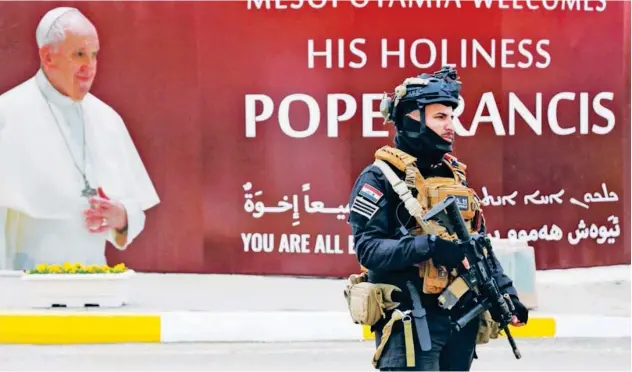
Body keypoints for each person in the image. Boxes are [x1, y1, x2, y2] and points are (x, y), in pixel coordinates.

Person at [345, 66, 528, 371]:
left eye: (451, 117)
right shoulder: (380, 178)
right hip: (412, 321)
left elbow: (478, 245)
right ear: (412, 118)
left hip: (460, 322)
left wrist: (506, 291)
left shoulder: (454, 176)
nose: (450, 126)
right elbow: (369, 249)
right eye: (440, 117)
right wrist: (428, 246)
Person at [0, 7, 160, 270]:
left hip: (92, 282)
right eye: (79, 55)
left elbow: (134, 213)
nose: (90, 67)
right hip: (24, 288)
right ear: (48, 57)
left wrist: (121, 217)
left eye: (94, 55)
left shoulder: (106, 119)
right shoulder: (7, 115)